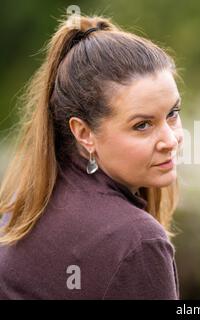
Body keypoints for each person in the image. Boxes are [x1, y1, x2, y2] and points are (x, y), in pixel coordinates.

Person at [0, 14, 184, 299]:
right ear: (84, 133)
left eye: (172, 114)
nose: (171, 141)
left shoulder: (18, 210)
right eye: (142, 125)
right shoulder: (137, 242)